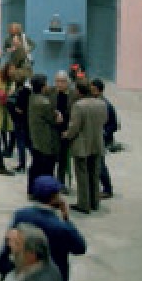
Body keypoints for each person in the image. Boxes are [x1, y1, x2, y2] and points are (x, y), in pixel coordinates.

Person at [0, 175, 86, 281]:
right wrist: (66, 219)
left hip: (22, 275)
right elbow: (80, 248)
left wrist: (3, 267)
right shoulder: (60, 227)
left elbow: (7, 245)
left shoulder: (21, 215)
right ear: (54, 198)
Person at [61, 78, 108, 213]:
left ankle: (83, 204)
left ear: (78, 91)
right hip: (97, 142)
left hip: (82, 144)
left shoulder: (78, 106)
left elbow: (75, 127)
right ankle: (95, 201)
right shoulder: (101, 104)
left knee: (82, 175)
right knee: (94, 174)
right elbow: (104, 120)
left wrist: (67, 134)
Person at [27, 74, 61, 194]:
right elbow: (54, 120)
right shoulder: (44, 103)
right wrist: (58, 115)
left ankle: (32, 190)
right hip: (46, 141)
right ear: (42, 87)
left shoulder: (32, 97)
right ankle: (45, 192)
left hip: (36, 138)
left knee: (35, 166)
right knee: (46, 168)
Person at [90, 77, 117, 198]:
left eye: (94, 90)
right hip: (95, 137)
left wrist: (104, 133)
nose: (92, 92)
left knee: (100, 164)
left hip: (101, 139)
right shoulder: (94, 102)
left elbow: (113, 125)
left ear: (99, 91)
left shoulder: (106, 105)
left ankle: (107, 189)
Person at [51, 70, 76, 190]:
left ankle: (61, 181)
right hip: (54, 130)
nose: (59, 84)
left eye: (62, 82)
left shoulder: (73, 95)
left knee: (63, 159)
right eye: (57, 81)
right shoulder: (52, 93)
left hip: (67, 131)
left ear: (68, 82)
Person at [0, 61, 18, 157]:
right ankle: (5, 147)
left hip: (12, 109)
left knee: (12, 129)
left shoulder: (16, 80)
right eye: (10, 69)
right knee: (2, 128)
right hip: (1, 108)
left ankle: (10, 149)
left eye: (14, 69)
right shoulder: (0, 80)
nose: (12, 71)